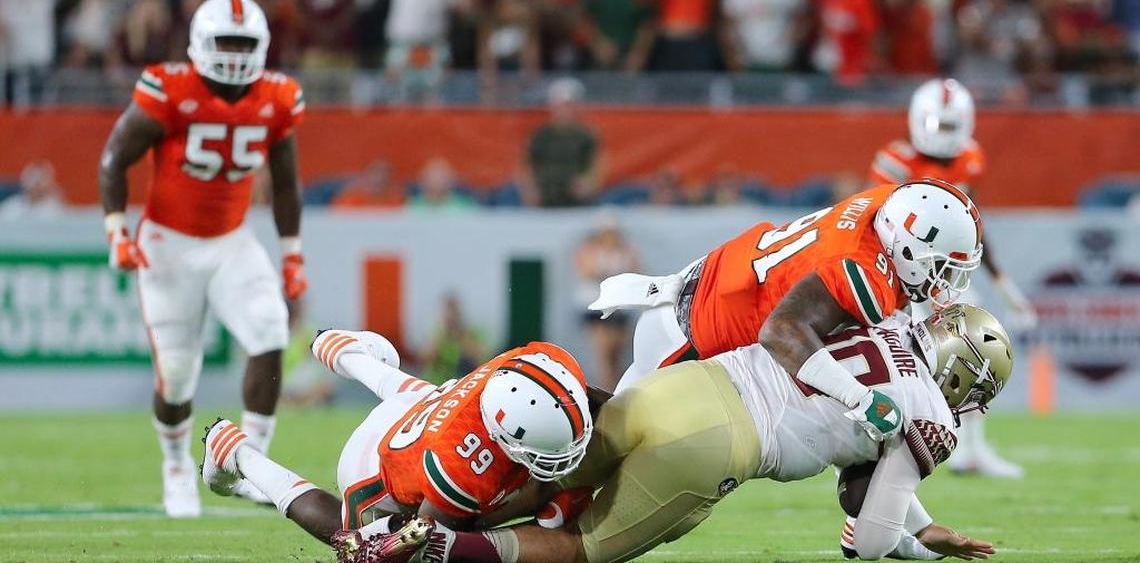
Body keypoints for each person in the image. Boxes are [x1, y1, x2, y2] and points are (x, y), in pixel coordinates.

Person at [354, 303, 1010, 563]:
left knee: (548, 470)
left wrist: (921, 523)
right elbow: (867, 541)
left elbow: (854, 426)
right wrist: (913, 545)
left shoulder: (886, 315)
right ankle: (438, 545)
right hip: (716, 445)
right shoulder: (930, 412)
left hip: (682, 385)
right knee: (581, 548)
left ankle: (391, 520)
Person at [97, 0, 307, 518]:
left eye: (243, 44)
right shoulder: (169, 88)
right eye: (225, 42)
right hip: (167, 243)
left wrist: (292, 254)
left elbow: (286, 182)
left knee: (271, 331)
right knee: (176, 373)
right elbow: (114, 158)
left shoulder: (277, 96)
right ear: (200, 42)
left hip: (231, 240)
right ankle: (175, 465)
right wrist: (116, 230)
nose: (234, 54)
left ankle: (253, 465)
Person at [591, 179, 986, 446]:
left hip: (706, 288)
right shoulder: (864, 274)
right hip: (694, 334)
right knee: (614, 447)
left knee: (611, 427)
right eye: (942, 267)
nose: (944, 281)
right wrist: (861, 399)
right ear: (908, 247)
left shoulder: (886, 204)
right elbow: (780, 332)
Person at [201, 330, 593, 560]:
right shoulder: (460, 465)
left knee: (430, 396)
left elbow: (585, 397)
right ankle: (236, 452)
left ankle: (343, 351)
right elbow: (430, 537)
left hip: (424, 411)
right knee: (359, 545)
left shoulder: (540, 365)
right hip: (373, 468)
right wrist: (539, 523)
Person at [868, 78, 1034, 478]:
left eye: (949, 125)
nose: (943, 135)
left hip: (943, 275)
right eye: (937, 124)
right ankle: (888, 449)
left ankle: (971, 448)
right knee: (902, 362)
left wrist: (1005, 286)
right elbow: (877, 224)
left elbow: (970, 224)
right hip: (898, 276)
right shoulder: (895, 160)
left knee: (972, 352)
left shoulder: (968, 157)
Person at [574, 216, 640, 390]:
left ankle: (615, 388)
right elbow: (587, 271)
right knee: (602, 351)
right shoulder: (589, 250)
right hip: (596, 305)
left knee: (617, 352)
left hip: (619, 307)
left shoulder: (626, 250)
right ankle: (607, 388)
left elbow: (635, 270)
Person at [525, 78, 599, 208]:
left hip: (576, 202)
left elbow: (597, 164)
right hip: (545, 200)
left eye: (569, 106)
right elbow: (526, 165)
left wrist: (588, 183)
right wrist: (530, 189)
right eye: (561, 105)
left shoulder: (586, 136)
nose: (566, 110)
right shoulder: (541, 136)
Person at [423, 293, 490, 384]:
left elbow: (483, 357)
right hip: (438, 384)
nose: (451, 316)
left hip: (463, 383)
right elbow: (426, 359)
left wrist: (460, 337)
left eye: (454, 311)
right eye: (448, 311)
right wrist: (442, 336)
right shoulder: (437, 331)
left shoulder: (470, 332)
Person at [0, 160, 65, 220]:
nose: (36, 183)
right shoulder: (11, 207)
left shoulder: (56, 210)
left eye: (41, 178)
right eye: (33, 177)